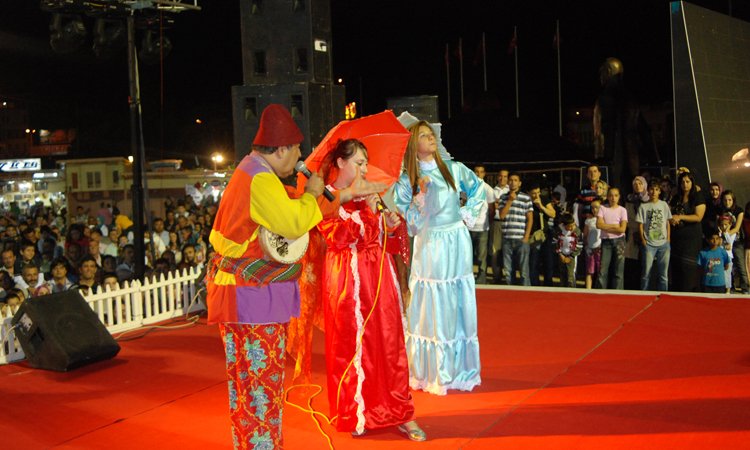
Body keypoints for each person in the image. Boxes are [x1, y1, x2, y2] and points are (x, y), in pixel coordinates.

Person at [205, 104, 325, 449]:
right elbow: (293, 223)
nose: (300, 157)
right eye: (297, 149)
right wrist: (312, 194)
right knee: (263, 386)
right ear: (282, 149)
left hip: (241, 294)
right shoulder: (260, 178)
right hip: (253, 299)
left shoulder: (249, 170)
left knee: (246, 385)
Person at [316, 139, 425, 440]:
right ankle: (358, 412)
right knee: (352, 346)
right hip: (347, 279)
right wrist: (362, 207)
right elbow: (339, 236)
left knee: (389, 342)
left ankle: (400, 411)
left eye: (365, 162)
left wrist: (389, 222)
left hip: (379, 274)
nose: (364, 168)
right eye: (359, 162)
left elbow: (383, 236)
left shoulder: (370, 194)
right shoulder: (325, 196)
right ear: (340, 163)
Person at [394, 120, 483, 396]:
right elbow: (410, 224)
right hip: (430, 245)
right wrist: (420, 197)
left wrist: (467, 212)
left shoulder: (453, 169)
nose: (431, 137)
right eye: (423, 135)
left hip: (456, 240)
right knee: (433, 301)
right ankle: (432, 371)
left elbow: (478, 188)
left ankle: (460, 370)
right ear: (414, 145)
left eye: (431, 133)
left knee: (457, 298)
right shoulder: (407, 181)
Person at [669, 172, 706, 292]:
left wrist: (680, 217)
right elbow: (670, 213)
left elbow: (698, 217)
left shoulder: (698, 197)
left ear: (692, 182)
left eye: (687, 181)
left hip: (691, 239)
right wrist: (672, 219)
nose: (685, 184)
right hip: (677, 238)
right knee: (677, 268)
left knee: (689, 269)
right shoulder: (676, 198)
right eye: (682, 182)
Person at [497, 173, 533, 286]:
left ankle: (526, 292)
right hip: (507, 238)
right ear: (508, 182)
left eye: (515, 180)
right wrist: (510, 201)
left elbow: (530, 219)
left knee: (524, 271)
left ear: (520, 183)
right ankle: (510, 292)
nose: (513, 182)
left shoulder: (526, 198)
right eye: (511, 180)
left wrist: (526, 237)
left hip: (521, 238)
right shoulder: (503, 197)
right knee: (508, 270)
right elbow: (501, 216)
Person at [637, 182, 672, 291]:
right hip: (649, 243)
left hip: (663, 243)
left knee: (663, 274)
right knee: (646, 273)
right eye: (651, 189)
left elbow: (667, 222)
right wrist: (643, 240)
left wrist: (668, 239)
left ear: (660, 191)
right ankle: (644, 294)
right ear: (648, 191)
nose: (654, 192)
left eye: (656, 189)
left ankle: (663, 294)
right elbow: (640, 224)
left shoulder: (664, 205)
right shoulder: (643, 206)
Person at [596, 187, 628, 289]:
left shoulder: (622, 210)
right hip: (606, 241)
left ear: (619, 197)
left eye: (615, 195)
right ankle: (601, 293)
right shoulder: (602, 208)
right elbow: (599, 225)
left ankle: (618, 293)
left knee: (618, 271)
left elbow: (622, 229)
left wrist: (606, 226)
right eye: (610, 195)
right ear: (607, 197)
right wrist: (615, 226)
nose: (613, 198)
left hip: (620, 242)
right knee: (603, 270)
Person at [469, 164, 495, 284]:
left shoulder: (488, 189)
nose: (478, 174)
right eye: (476, 171)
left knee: (481, 255)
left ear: (484, 174)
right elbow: (463, 203)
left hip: (482, 228)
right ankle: (468, 276)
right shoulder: (467, 187)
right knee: (467, 254)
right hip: (468, 227)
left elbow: (492, 209)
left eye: (481, 172)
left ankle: (481, 277)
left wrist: (487, 223)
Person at [720, 190, 747, 293]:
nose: (727, 202)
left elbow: (736, 228)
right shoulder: (720, 210)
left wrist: (726, 234)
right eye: (725, 200)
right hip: (725, 242)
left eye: (729, 200)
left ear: (733, 200)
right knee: (727, 266)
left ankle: (745, 287)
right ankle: (730, 287)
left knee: (740, 264)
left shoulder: (739, 210)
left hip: (736, 240)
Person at [553, 212, 583, 288]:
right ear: (564, 225)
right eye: (569, 226)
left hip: (572, 256)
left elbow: (579, 245)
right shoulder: (559, 230)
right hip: (562, 255)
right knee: (562, 274)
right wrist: (560, 254)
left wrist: (571, 256)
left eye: (573, 225)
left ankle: (572, 290)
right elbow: (554, 242)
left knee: (571, 275)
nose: (571, 228)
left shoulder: (577, 231)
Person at [490, 169, 509, 283]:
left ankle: (509, 277)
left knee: (508, 251)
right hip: (496, 223)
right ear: (497, 177)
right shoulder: (492, 191)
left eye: (505, 176)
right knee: (495, 251)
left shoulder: (511, 191)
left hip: (509, 223)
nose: (502, 179)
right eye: (501, 176)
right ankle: (496, 276)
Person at [583, 199, 603, 289]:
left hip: (600, 249)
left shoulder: (604, 220)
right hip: (590, 249)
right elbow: (585, 235)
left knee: (600, 271)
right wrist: (587, 247)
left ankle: (598, 290)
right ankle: (588, 291)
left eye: (597, 207)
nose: (594, 210)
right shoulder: (589, 220)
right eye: (592, 208)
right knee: (589, 271)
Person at [717, 214, 736, 293]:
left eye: (726, 225)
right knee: (720, 273)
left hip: (728, 256)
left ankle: (728, 290)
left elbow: (729, 244)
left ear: (730, 224)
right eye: (722, 225)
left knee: (727, 273)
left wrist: (725, 233)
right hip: (720, 256)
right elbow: (718, 244)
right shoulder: (719, 234)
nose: (724, 227)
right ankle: (720, 289)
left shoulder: (733, 233)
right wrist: (720, 234)